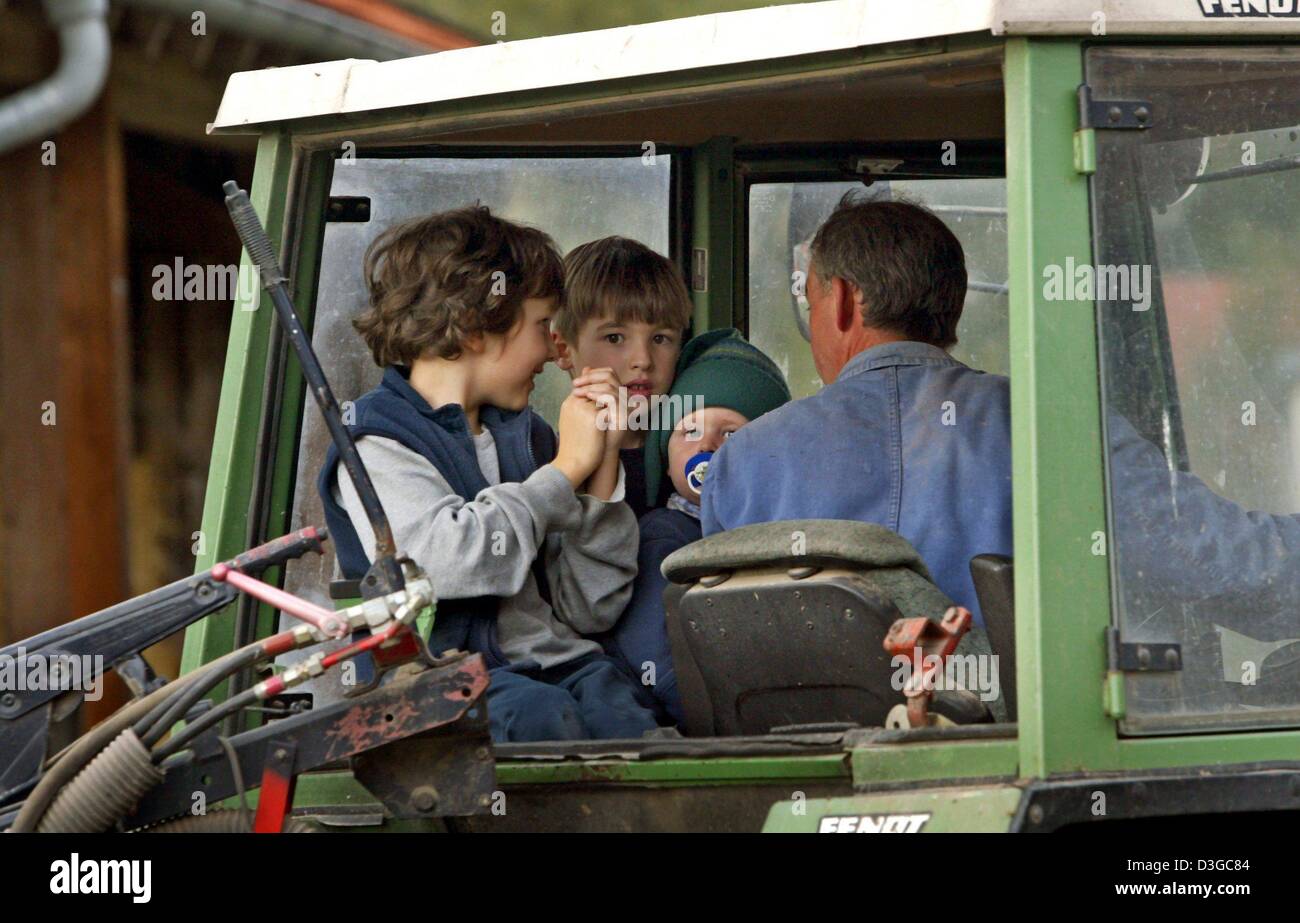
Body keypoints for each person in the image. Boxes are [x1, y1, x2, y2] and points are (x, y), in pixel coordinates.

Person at [316, 205, 658, 743]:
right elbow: (442, 562)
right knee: (545, 719)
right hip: (436, 684)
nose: (552, 350)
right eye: (543, 326)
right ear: (478, 327)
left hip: (560, 668)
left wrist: (601, 464)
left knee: (635, 722)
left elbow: (588, 610)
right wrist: (566, 469)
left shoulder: (528, 438)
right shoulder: (375, 446)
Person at [701, 196, 1011, 625]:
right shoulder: (1042, 426)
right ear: (953, 303)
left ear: (844, 299)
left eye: (811, 305)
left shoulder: (741, 458)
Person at [608, 329, 791, 725]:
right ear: (666, 459)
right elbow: (651, 651)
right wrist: (724, 719)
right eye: (688, 431)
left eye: (730, 433)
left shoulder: (781, 535)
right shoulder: (664, 537)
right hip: (694, 717)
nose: (706, 446)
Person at [552, 236, 692, 518]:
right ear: (563, 349)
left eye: (661, 338)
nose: (642, 360)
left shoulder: (689, 456)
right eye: (614, 337)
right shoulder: (548, 462)